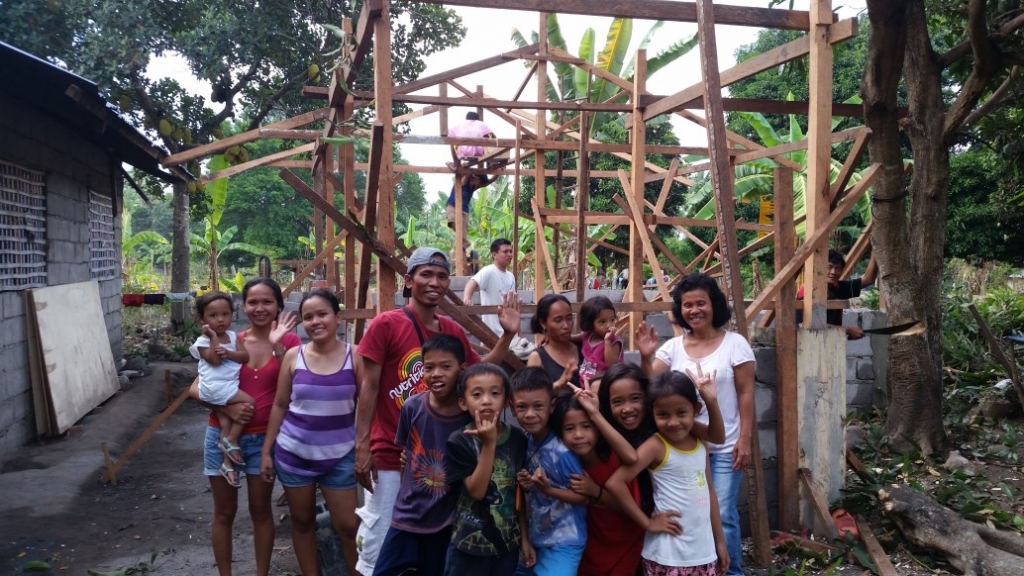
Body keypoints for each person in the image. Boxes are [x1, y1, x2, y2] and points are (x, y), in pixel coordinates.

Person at [353, 246, 520, 576]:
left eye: (442, 276)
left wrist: (508, 335)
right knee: (377, 547)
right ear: (409, 280)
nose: (435, 282)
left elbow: (479, 374)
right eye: (426, 274)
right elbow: (368, 388)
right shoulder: (386, 324)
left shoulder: (451, 330)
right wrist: (361, 447)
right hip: (391, 452)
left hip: (442, 459)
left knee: (436, 547)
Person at [637, 272, 755, 576]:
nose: (694, 310)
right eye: (687, 305)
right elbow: (653, 386)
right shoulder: (673, 348)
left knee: (724, 513)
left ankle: (731, 571)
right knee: (695, 514)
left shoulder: (735, 344)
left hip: (724, 444)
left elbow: (745, 393)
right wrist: (646, 356)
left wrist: (745, 438)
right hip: (682, 448)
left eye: (700, 303)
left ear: (714, 304)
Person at [189, 277, 299, 576]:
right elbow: (196, 388)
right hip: (221, 436)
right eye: (253, 302)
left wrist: (277, 346)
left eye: (267, 302)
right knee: (224, 513)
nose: (260, 308)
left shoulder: (290, 342)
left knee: (261, 512)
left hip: (264, 441)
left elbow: (297, 389)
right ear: (243, 306)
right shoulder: (230, 340)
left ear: (278, 306)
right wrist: (227, 408)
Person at [261, 289, 359, 574]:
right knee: (302, 523)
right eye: (308, 317)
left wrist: (367, 448)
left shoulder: (356, 356)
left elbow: (366, 405)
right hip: (294, 454)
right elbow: (280, 405)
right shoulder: (293, 356)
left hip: (340, 456)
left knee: (348, 526)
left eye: (322, 314)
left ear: (337, 317)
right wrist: (267, 451)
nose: (315, 321)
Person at [605, 371, 730, 576]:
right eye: (663, 415)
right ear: (652, 414)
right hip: (667, 555)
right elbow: (615, 483)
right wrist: (647, 522)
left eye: (681, 413)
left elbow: (709, 491)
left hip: (703, 552)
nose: (673, 422)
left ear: (696, 410)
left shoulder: (700, 442)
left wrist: (720, 542)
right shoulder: (656, 445)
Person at [373, 334, 471, 576]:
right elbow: (407, 455)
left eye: (446, 367)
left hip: (447, 519)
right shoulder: (412, 407)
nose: (436, 373)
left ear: (462, 369)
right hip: (407, 515)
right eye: (429, 367)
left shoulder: (470, 416)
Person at [444, 363, 533, 575]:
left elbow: (517, 495)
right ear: (463, 402)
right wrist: (489, 444)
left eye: (495, 393)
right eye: (477, 394)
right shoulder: (459, 441)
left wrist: (524, 539)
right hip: (468, 548)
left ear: (505, 401)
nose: (486, 400)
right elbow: (476, 491)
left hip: (506, 547)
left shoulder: (518, 439)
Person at [555, 379, 641, 576]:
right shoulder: (567, 464)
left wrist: (596, 491)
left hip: (625, 544)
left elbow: (631, 509)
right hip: (591, 547)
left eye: (586, 426)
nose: (578, 435)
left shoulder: (614, 458)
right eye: (569, 428)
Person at [511, 367, 588, 575]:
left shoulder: (563, 453)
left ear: (551, 406)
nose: (530, 414)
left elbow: (584, 497)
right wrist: (525, 539)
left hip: (564, 541)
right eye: (522, 407)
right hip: (535, 539)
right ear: (512, 408)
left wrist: (548, 489)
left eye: (538, 406)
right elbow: (523, 499)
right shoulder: (524, 444)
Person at [190, 292, 252, 487]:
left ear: (232, 314)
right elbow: (215, 360)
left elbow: (244, 357)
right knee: (250, 402)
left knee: (226, 422)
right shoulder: (202, 342)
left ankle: (227, 465)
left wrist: (230, 352)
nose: (220, 319)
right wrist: (214, 338)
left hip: (226, 387)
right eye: (213, 315)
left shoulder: (234, 337)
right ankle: (232, 439)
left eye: (225, 314)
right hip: (214, 388)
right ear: (202, 319)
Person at [797, 249, 878, 339]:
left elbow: (868, 279)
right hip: (806, 342)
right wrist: (847, 330)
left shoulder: (838, 287)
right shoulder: (807, 290)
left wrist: (875, 249)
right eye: (829, 267)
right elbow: (812, 323)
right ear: (818, 268)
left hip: (831, 342)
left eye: (838, 268)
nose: (833, 272)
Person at [527, 294, 582, 390]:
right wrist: (559, 384)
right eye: (558, 320)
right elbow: (530, 395)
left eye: (569, 318)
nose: (566, 325)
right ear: (543, 323)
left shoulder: (584, 347)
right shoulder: (538, 357)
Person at [463, 238, 516, 336]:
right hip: (493, 334)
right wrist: (467, 299)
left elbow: (514, 306)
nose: (509, 254)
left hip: (510, 334)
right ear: (494, 254)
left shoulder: (511, 276)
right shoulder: (489, 271)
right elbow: (472, 282)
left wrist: (518, 333)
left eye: (510, 251)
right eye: (505, 252)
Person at [577, 295, 623, 383]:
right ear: (590, 324)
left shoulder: (614, 342)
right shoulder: (587, 336)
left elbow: (612, 365)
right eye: (602, 322)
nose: (609, 325)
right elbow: (572, 338)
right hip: (583, 382)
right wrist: (553, 338)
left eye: (612, 320)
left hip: (603, 384)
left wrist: (607, 342)